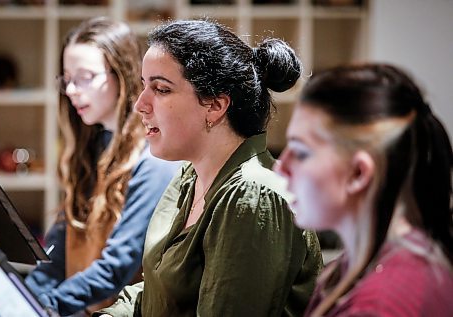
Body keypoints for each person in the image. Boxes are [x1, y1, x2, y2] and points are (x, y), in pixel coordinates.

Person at [94, 19, 323, 317]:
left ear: (215, 106)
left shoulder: (252, 195)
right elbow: (161, 290)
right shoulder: (189, 177)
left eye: (161, 89)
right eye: (143, 85)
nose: (140, 104)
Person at [25, 17, 180, 316]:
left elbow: (117, 269)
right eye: (66, 78)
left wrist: (44, 306)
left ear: (123, 75)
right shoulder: (89, 153)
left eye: (84, 77)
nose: (71, 90)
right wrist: (21, 297)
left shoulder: (152, 160)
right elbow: (56, 257)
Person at [275, 63, 453, 316]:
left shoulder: (379, 304)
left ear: (358, 174)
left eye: (301, 153)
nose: (280, 168)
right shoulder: (358, 266)